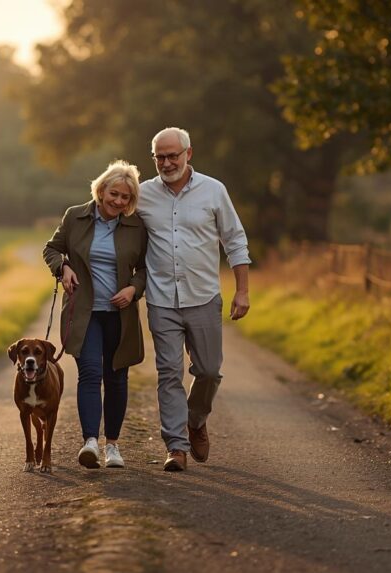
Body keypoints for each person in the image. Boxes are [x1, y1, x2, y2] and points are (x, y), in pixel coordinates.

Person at [135, 127, 251, 472]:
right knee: (168, 372)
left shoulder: (214, 190)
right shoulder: (142, 195)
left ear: (189, 153)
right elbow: (110, 216)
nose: (167, 163)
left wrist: (242, 290)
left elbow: (235, 240)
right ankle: (176, 446)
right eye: (160, 157)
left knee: (209, 371)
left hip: (203, 296)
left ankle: (195, 420)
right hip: (161, 300)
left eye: (173, 155)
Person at [43, 160, 148, 469]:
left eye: (125, 197)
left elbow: (145, 268)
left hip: (120, 315)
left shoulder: (137, 226)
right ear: (101, 191)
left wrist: (133, 289)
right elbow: (51, 249)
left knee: (116, 378)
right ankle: (90, 442)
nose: (118, 201)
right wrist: (63, 267)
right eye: (114, 194)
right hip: (84, 314)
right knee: (90, 373)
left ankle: (112, 446)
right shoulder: (75, 216)